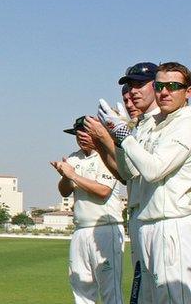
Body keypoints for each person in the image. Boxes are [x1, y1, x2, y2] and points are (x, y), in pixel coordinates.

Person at [99, 62, 191, 303]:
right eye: (160, 86)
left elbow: (153, 170)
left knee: (173, 297)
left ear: (188, 91)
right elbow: (129, 172)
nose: (164, 92)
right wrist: (119, 140)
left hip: (172, 223)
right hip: (147, 223)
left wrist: (123, 136)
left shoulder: (186, 123)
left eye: (173, 86)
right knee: (148, 298)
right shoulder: (156, 123)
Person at [87, 62, 159, 303]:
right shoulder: (139, 127)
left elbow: (147, 170)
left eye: (139, 85)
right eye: (127, 92)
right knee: (144, 293)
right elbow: (126, 174)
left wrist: (111, 136)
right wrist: (108, 140)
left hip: (164, 219)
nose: (130, 97)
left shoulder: (164, 124)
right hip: (141, 216)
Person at [51, 116, 124, 304]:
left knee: (110, 290)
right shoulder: (74, 158)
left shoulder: (107, 156)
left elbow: (103, 191)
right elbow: (64, 191)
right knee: (81, 288)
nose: (81, 136)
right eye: (77, 133)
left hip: (105, 229)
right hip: (80, 230)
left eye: (85, 132)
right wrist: (66, 177)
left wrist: (73, 175)